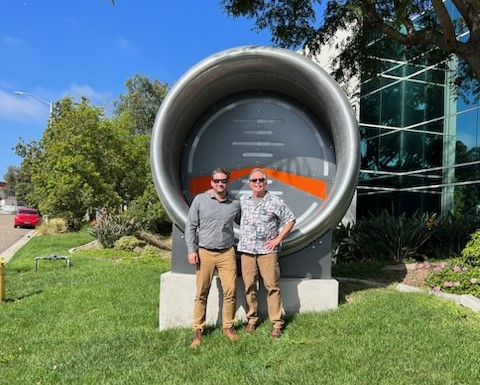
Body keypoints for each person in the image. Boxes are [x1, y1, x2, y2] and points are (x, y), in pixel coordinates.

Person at [185, 167, 241, 348]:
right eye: (216, 181)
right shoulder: (200, 200)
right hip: (205, 253)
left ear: (227, 182)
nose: (220, 183)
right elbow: (191, 226)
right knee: (202, 292)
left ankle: (228, 327)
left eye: (223, 181)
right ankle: (198, 330)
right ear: (211, 182)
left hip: (227, 253)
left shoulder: (234, 203)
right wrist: (191, 250)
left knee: (230, 291)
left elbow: (245, 222)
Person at [237, 168, 296, 338]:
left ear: (266, 181)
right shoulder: (243, 201)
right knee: (249, 286)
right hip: (247, 250)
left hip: (267, 252)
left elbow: (290, 220)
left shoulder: (275, 201)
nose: (257, 183)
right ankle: (252, 319)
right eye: (254, 181)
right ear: (249, 183)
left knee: (272, 287)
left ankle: (277, 324)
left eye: (261, 180)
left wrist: (278, 239)